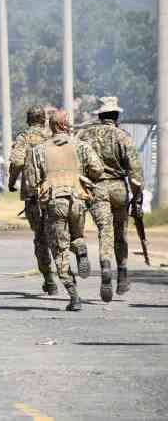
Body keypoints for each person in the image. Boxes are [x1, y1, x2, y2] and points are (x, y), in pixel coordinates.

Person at [25, 110, 103, 311]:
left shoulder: (39, 150)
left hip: (55, 203)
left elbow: (31, 181)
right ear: (66, 125)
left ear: (51, 126)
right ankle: (80, 249)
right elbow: (98, 169)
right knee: (76, 236)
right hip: (78, 200)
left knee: (59, 250)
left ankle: (74, 295)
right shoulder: (81, 146)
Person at [78, 96, 144, 301]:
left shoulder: (84, 135)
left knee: (104, 231)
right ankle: (122, 275)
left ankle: (105, 265)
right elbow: (135, 172)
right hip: (118, 188)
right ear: (116, 116)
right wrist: (138, 197)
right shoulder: (122, 136)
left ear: (99, 115)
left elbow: (77, 164)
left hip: (96, 188)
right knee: (120, 232)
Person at [8, 105, 57, 294]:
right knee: (59, 233)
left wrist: (12, 182)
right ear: (44, 119)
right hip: (55, 193)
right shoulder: (53, 136)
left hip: (34, 195)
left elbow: (18, 161)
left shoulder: (24, 137)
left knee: (40, 238)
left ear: (28, 120)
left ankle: (49, 279)